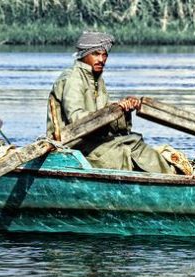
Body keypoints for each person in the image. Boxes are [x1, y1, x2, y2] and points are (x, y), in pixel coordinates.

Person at [46, 31, 175, 174]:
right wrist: (113, 109)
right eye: (96, 54)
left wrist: (124, 110)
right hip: (73, 145)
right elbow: (77, 120)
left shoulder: (97, 80)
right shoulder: (72, 79)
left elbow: (109, 124)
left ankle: (171, 177)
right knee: (124, 151)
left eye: (105, 54)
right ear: (84, 55)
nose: (101, 59)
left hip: (94, 142)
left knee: (135, 142)